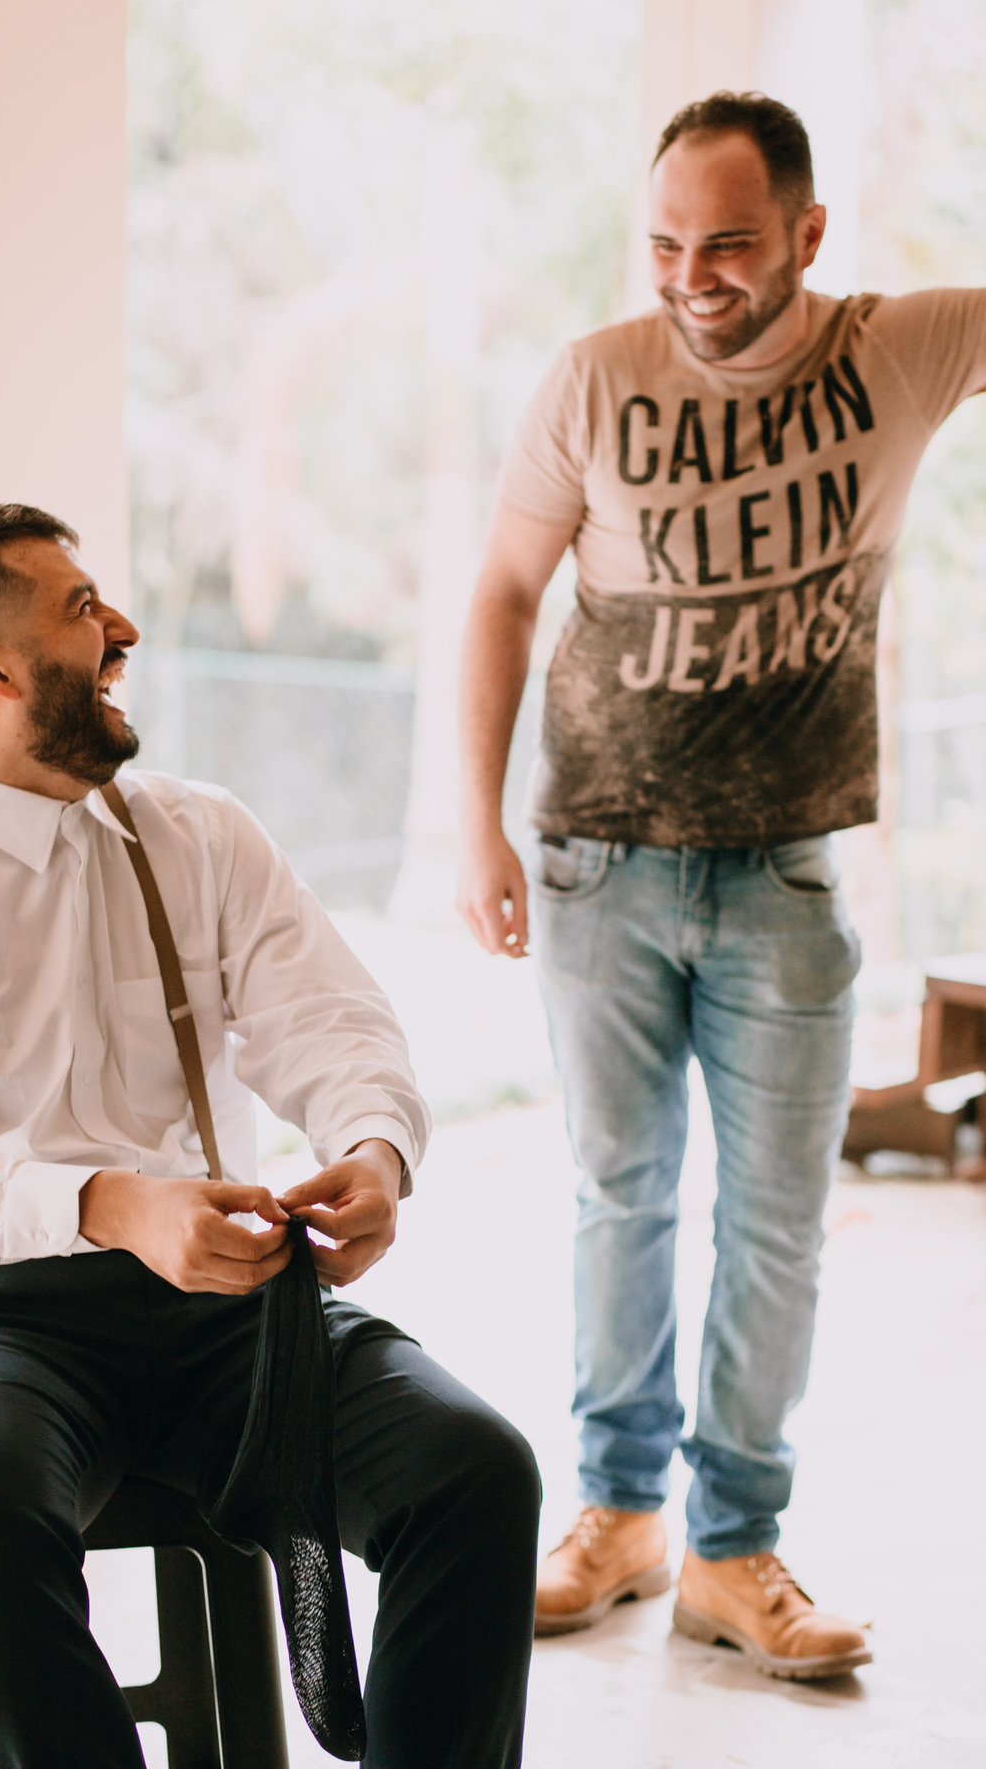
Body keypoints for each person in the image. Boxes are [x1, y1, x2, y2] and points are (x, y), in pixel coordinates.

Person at [0, 503, 540, 1769]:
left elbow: (337, 1022)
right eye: (81, 610)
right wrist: (103, 1203)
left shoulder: (199, 833)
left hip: (230, 1313)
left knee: (477, 1469)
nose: (121, 628)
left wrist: (374, 1151)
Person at [458, 89, 986, 1680]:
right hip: (596, 859)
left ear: (809, 235)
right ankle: (619, 1522)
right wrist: (476, 825)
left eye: (733, 245)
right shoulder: (596, 382)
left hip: (787, 872)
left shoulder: (899, 352)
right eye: (669, 243)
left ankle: (734, 1551)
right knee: (623, 1198)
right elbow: (499, 588)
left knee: (778, 1225)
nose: (693, 275)